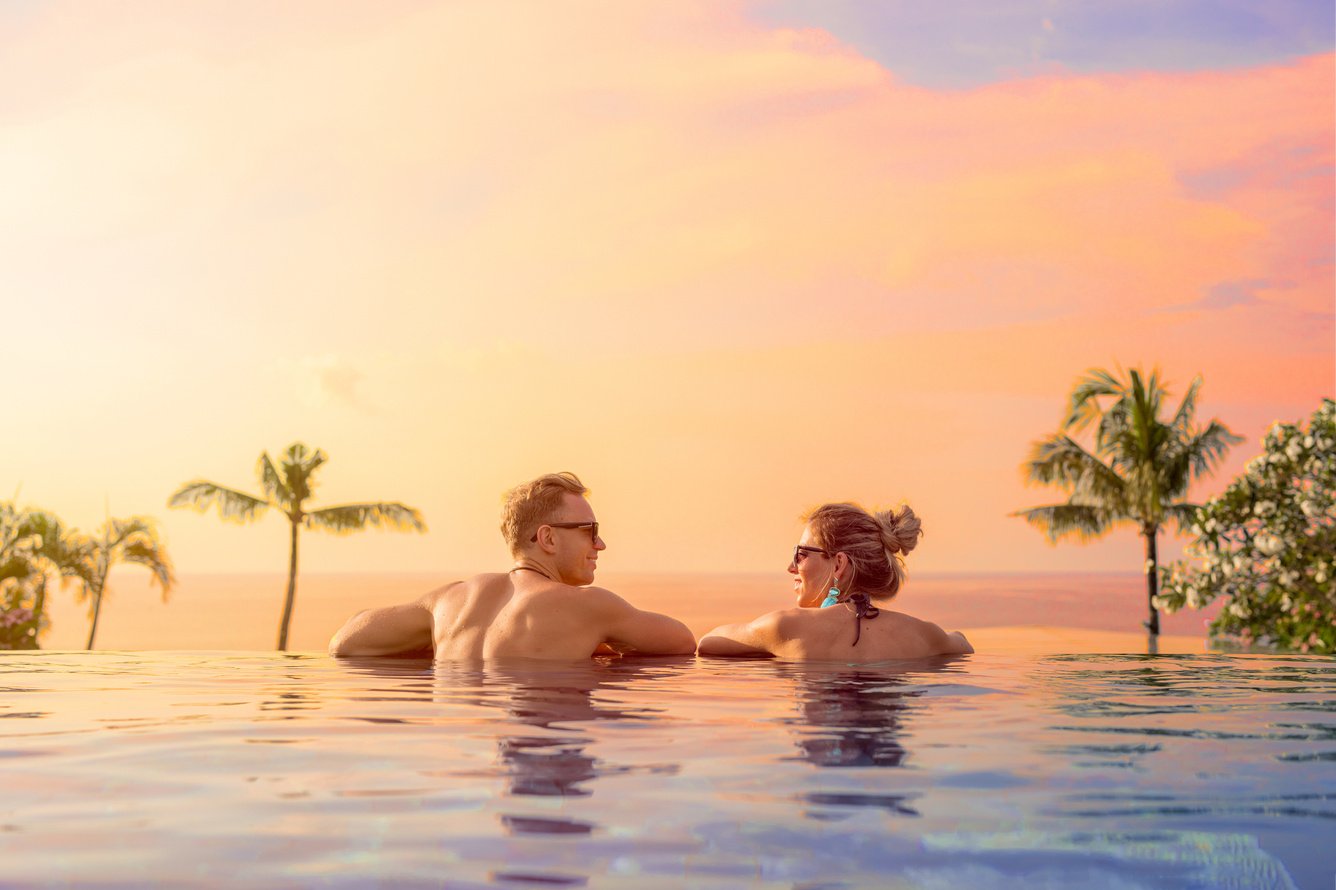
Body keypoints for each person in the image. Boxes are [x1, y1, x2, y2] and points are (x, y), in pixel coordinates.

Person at [329, 472, 696, 660]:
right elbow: (683, 642)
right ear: (548, 538)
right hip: (548, 738)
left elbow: (344, 643)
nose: (600, 544)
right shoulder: (589, 605)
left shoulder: (448, 601)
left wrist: (433, 639)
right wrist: (602, 635)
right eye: (590, 530)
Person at [697, 502, 973, 661]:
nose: (791, 567)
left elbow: (708, 643)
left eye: (801, 554)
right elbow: (962, 643)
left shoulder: (785, 627)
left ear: (839, 564)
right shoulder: (923, 635)